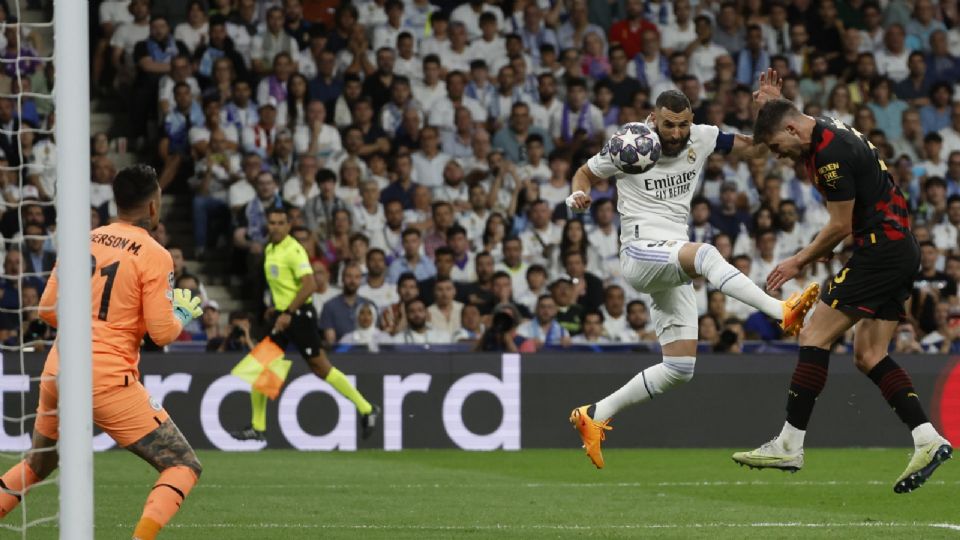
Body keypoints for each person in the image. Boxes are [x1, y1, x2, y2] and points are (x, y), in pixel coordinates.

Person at [566, 71, 820, 469]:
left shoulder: (701, 137)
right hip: (639, 250)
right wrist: (579, 192)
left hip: (671, 255)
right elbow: (586, 171)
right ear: (654, 119)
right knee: (705, 254)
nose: (677, 131)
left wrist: (769, 109)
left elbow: (756, 149)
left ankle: (594, 414)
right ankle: (782, 311)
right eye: (670, 124)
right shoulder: (632, 144)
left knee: (680, 367)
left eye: (684, 123)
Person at [732, 98, 953, 493]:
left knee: (813, 335)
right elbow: (786, 119)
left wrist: (797, 261)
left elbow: (839, 226)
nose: (782, 158)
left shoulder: (831, 156)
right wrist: (767, 104)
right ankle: (927, 439)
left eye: (780, 148)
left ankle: (789, 443)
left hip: (880, 250)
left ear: (791, 131)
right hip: (899, 247)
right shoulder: (824, 128)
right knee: (869, 355)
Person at [0, 165, 204, 539]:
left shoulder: (84, 239)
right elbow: (161, 334)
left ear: (117, 202)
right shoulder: (156, 254)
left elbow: (47, 309)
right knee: (182, 465)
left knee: (38, 463)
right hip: (108, 379)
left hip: (59, 370)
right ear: (154, 207)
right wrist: (179, 316)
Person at [231, 207, 380, 442]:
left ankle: (367, 408)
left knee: (321, 368)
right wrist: (277, 308)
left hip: (299, 315)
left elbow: (309, 284)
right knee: (262, 366)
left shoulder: (294, 250)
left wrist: (288, 311)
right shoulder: (271, 248)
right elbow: (284, 286)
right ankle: (257, 427)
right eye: (272, 222)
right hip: (284, 315)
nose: (276, 227)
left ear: (288, 226)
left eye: (281, 223)